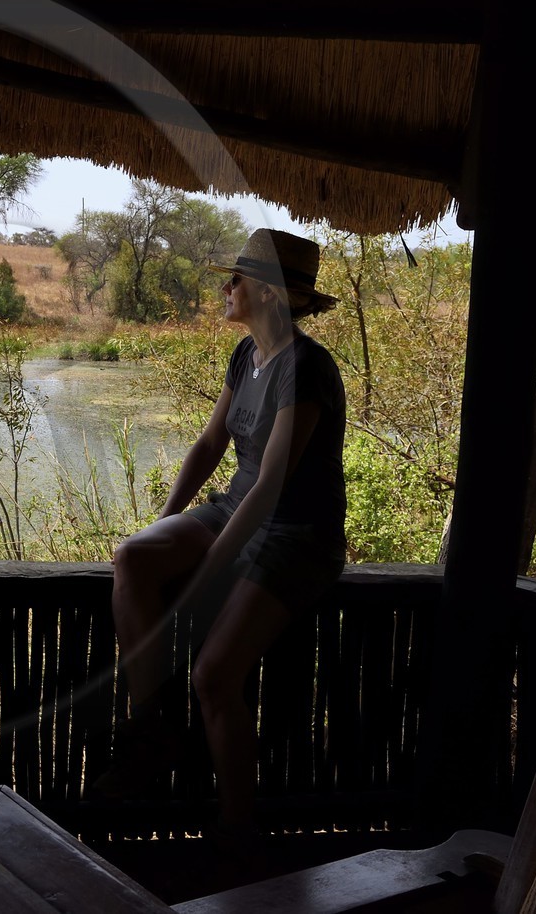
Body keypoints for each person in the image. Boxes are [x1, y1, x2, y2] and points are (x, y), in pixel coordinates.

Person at [92, 229, 347, 851]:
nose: (225, 287)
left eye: (235, 278)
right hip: (236, 507)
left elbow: (274, 485)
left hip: (296, 533)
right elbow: (211, 446)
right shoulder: (245, 355)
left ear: (268, 291)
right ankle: (151, 727)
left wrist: (212, 568)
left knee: (212, 676)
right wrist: (165, 520)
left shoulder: (304, 366)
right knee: (134, 557)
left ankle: (238, 832)